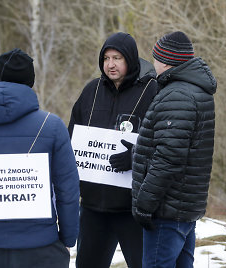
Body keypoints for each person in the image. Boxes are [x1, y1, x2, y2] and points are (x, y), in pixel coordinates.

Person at [0, 48, 79, 268]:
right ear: (30, 82)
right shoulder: (52, 125)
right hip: (41, 247)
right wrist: (68, 237)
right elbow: (68, 188)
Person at [68, 32, 158, 268]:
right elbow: (73, 137)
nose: (111, 64)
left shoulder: (151, 90)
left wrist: (136, 156)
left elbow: (163, 141)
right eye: (106, 58)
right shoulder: (91, 91)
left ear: (130, 59)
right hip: (92, 205)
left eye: (117, 58)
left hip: (132, 206)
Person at [131, 31, 217, 268]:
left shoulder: (177, 95)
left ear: (166, 60)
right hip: (182, 208)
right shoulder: (194, 90)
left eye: (155, 56)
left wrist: (144, 204)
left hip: (166, 211)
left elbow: (169, 157)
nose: (153, 62)